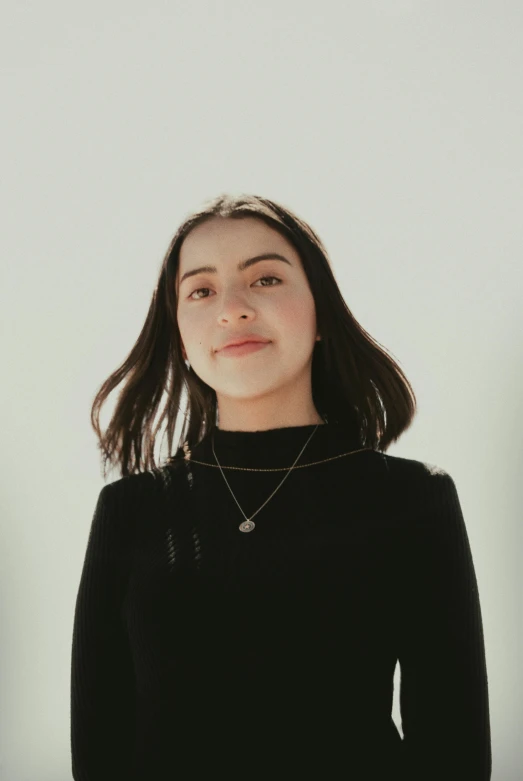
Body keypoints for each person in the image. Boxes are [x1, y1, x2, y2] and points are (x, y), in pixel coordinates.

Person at [70, 193, 491, 780]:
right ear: (181, 337)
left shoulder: (413, 500)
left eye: (265, 279)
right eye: (201, 290)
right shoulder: (131, 510)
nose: (233, 308)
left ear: (321, 315)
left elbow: (454, 757)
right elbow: (98, 757)